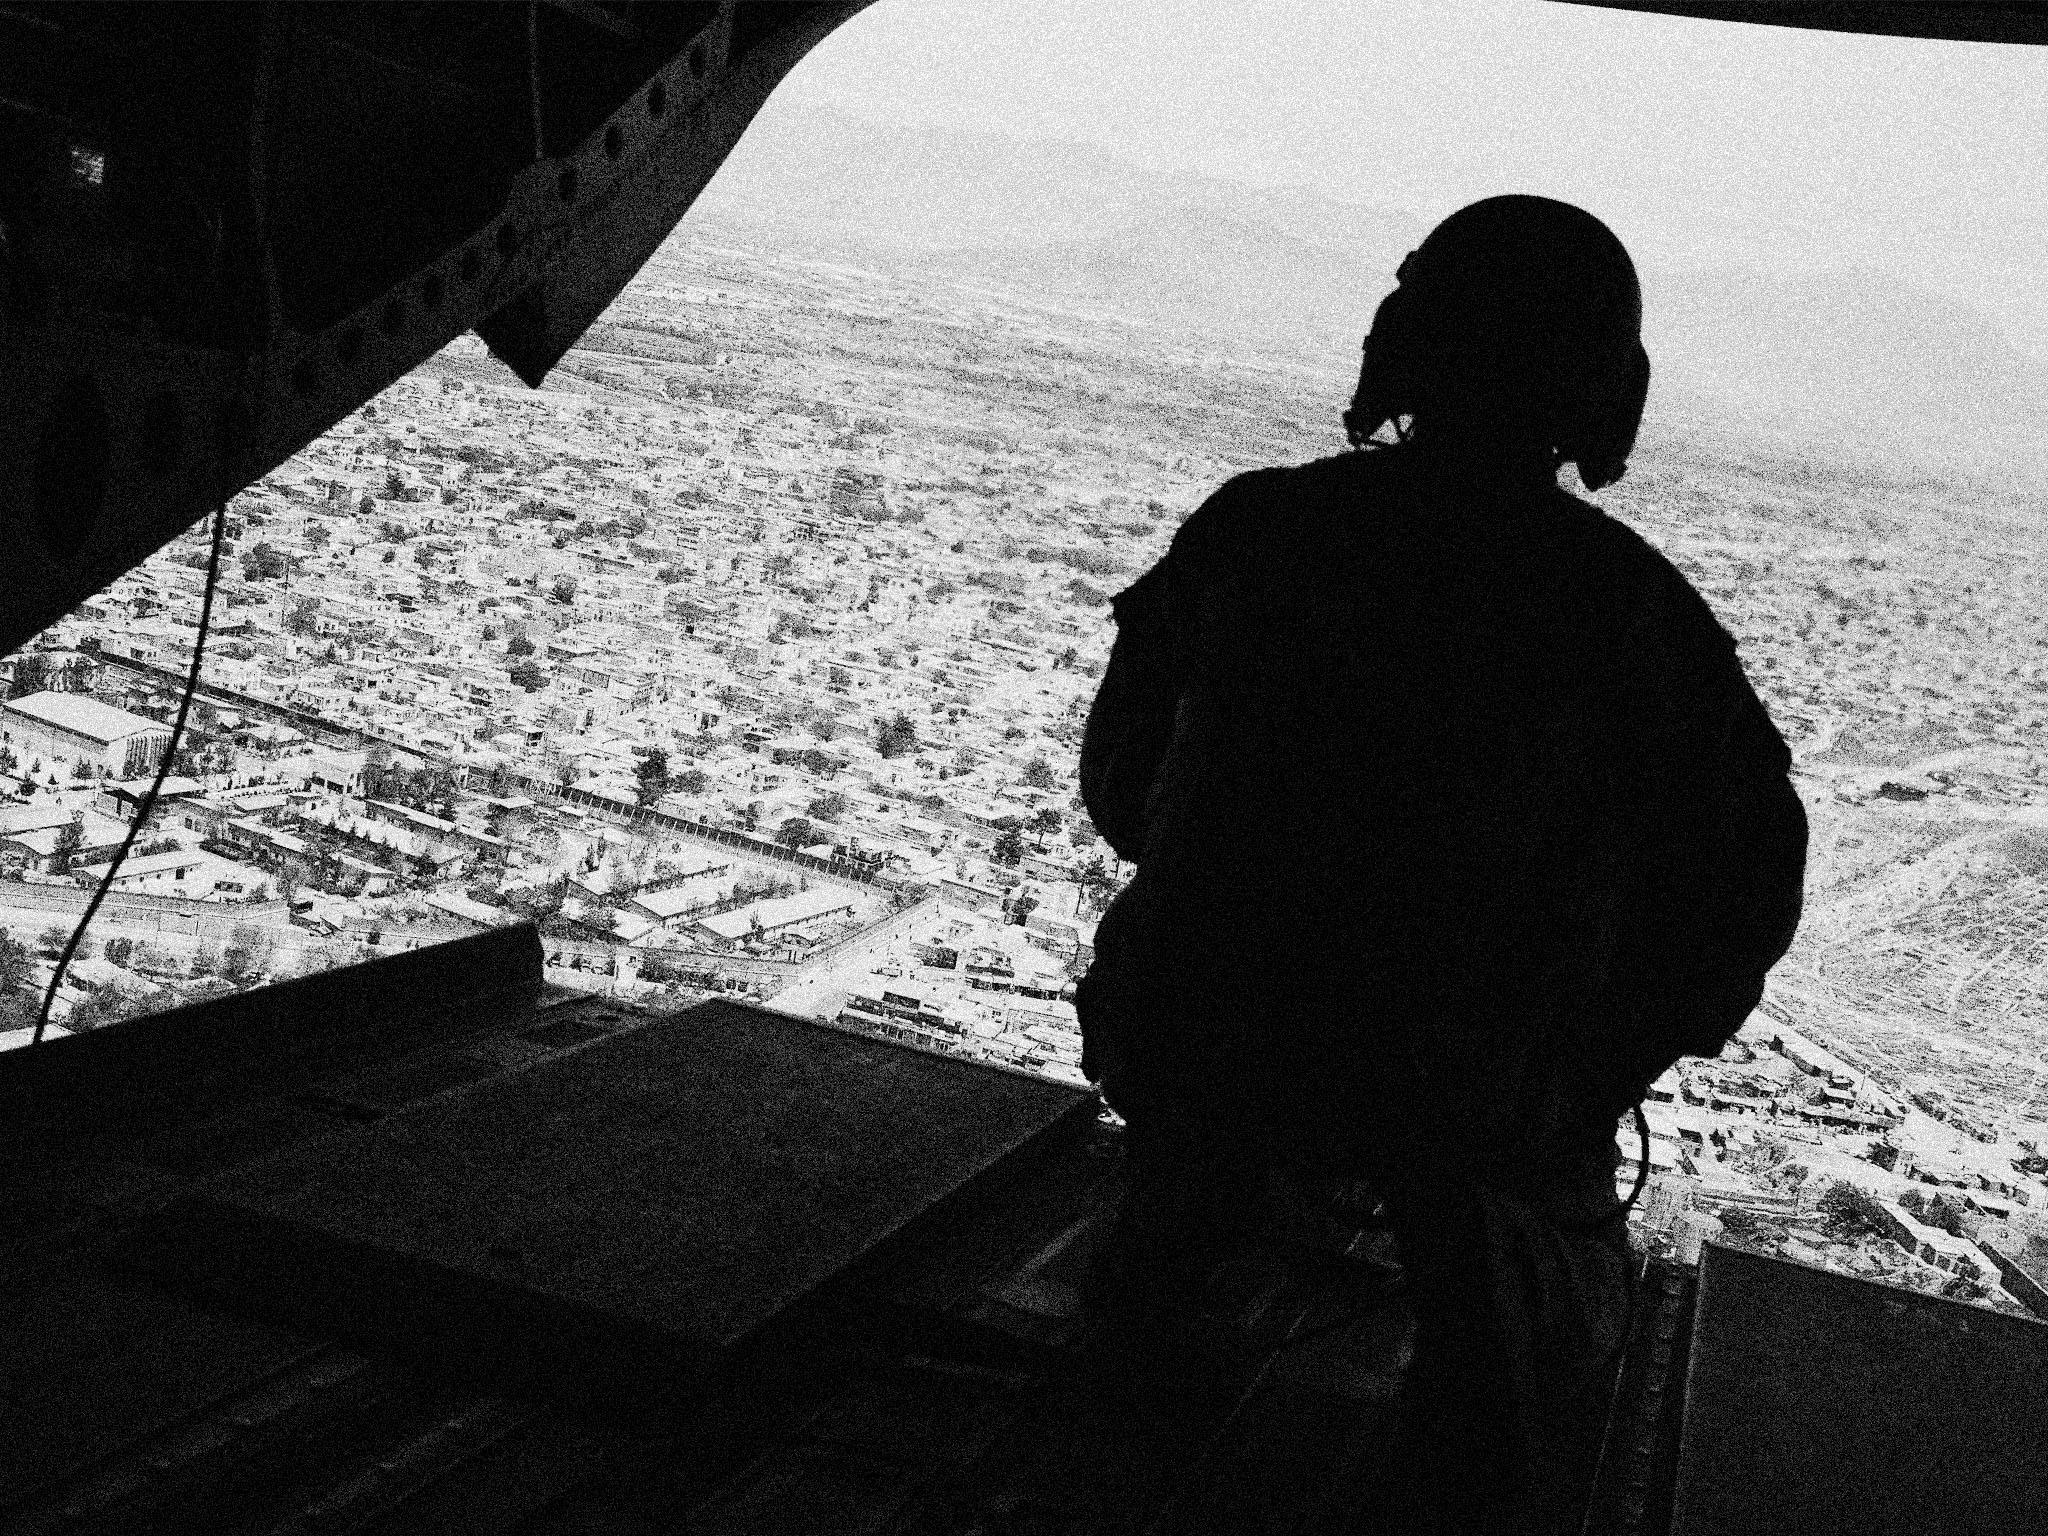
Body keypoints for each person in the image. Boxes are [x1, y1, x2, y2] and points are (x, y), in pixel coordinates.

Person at [1074, 195, 1807, 1531]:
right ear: (1601, 387)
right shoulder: (1635, 617)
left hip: (1207, 1060)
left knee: (1126, 1387)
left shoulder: (1257, 535)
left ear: (1406, 339)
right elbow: (1741, 902)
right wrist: (1581, 1064)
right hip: (1479, 1116)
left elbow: (1127, 782)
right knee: (1512, 1403)